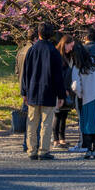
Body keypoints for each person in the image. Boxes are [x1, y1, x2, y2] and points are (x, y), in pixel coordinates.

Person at [20, 22, 67, 160]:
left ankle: (31, 150)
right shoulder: (53, 51)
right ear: (51, 34)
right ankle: (43, 150)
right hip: (49, 91)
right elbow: (58, 76)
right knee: (46, 123)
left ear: (38, 34)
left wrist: (24, 91)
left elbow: (25, 73)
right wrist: (61, 94)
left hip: (33, 91)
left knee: (31, 122)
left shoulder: (32, 50)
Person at [52, 34, 77, 148]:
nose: (71, 49)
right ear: (65, 44)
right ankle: (56, 139)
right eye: (70, 46)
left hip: (67, 88)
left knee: (64, 115)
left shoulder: (68, 56)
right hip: (60, 89)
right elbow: (58, 75)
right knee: (57, 115)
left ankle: (62, 138)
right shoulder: (57, 55)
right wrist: (63, 90)